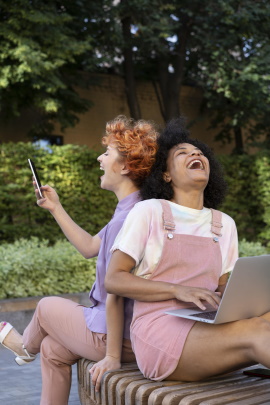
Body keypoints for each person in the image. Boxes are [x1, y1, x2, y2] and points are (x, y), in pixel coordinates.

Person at [0, 115, 158, 404]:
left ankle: (23, 346)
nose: (99, 158)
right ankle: (32, 350)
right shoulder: (131, 211)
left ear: (124, 166)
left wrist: (111, 355)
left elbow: (118, 291)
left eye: (107, 153)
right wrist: (55, 207)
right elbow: (89, 247)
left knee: (46, 307)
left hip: (117, 337)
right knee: (51, 349)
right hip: (121, 333)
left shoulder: (131, 217)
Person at [105, 117, 270, 382]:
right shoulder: (149, 211)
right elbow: (114, 279)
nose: (195, 153)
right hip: (160, 332)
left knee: (263, 321)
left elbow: (224, 287)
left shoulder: (224, 223)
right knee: (257, 332)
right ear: (166, 174)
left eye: (199, 152)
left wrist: (249, 298)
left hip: (209, 326)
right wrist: (177, 289)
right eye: (182, 153)